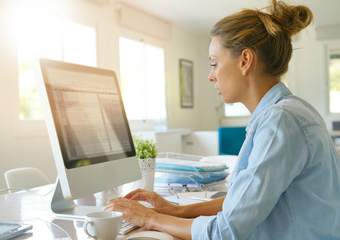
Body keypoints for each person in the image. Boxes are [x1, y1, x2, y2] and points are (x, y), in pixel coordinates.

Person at [104, 1, 340, 239]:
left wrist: (149, 218)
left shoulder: (280, 121)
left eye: (214, 63)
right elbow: (243, 204)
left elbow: (225, 231)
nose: (210, 76)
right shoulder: (288, 112)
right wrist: (176, 210)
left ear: (245, 61)